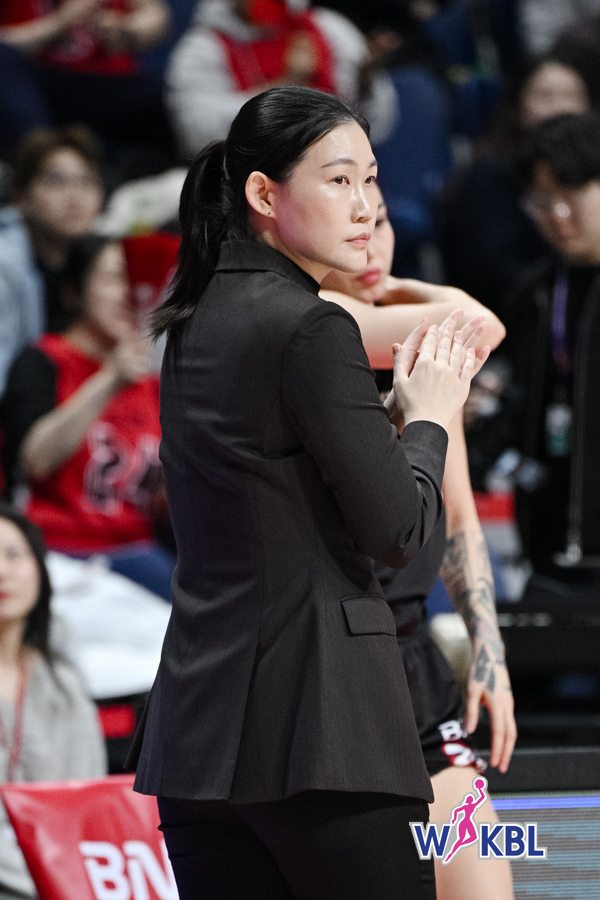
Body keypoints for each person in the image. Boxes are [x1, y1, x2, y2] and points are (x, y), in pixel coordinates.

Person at [128, 85, 490, 900]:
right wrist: (429, 418)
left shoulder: (193, 317)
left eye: (371, 180)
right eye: (338, 180)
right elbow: (399, 531)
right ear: (264, 193)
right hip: (323, 727)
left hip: (199, 732)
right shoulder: (312, 324)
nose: (363, 206)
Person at [321, 192, 516, 900]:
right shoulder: (318, 328)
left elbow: (459, 519)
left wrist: (488, 651)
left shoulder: (425, 358)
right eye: (354, 226)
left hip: (414, 666)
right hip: (336, 671)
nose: (372, 243)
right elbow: (482, 323)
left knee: (483, 884)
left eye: (381, 223)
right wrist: (399, 288)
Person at [1, 235, 174, 601]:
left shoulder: (155, 385)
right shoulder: (44, 360)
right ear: (73, 292)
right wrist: (109, 380)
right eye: (113, 278)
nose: (127, 293)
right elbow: (35, 461)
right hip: (58, 549)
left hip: (135, 550)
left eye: (135, 280)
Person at [507, 111, 600, 584]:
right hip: (549, 550)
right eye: (543, 201)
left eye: (573, 194)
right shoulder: (534, 292)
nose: (559, 216)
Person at [0, 504, 106, 899]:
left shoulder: (63, 682)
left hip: (63, 880)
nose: (1, 571)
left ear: (40, 570)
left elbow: (86, 799)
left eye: (14, 555)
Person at [442, 53, 596, 320]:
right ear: (518, 105)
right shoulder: (493, 173)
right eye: (545, 96)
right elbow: (493, 268)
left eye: (571, 95)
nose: (560, 107)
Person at [164, 0, 391, 157]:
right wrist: (287, 84)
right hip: (246, 185)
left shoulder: (328, 27)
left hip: (336, 171)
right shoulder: (202, 47)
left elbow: (377, 128)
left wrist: (365, 83)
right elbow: (196, 136)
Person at [0, 126, 104, 395]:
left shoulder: (99, 256)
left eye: (87, 181)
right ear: (22, 197)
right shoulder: (4, 268)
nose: (75, 196)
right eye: (56, 181)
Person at [0, 0, 171, 158]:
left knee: (170, 96)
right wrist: (59, 23)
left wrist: (125, 29)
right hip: (39, 85)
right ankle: (40, 161)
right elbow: (4, 48)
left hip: (111, 84)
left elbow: (156, 17)